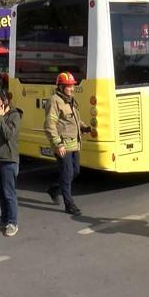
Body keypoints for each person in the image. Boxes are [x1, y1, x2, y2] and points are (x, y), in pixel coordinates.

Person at [44, 72, 90, 216]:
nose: (72, 88)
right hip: (63, 145)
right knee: (67, 172)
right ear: (61, 86)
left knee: (75, 171)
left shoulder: (70, 100)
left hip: (74, 143)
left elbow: (74, 119)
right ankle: (69, 204)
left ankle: (55, 189)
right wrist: (58, 144)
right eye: (69, 86)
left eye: (73, 86)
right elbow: (49, 125)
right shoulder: (55, 101)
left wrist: (84, 127)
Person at [0, 90, 22, 237]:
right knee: (0, 192)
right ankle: (4, 219)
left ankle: (12, 223)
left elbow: (8, 134)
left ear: (5, 101)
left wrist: (1, 118)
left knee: (9, 193)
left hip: (9, 160)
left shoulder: (14, 115)